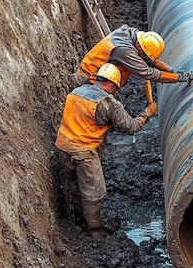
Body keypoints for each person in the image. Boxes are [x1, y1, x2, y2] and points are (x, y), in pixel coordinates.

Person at [56, 63, 158, 238]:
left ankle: (80, 222)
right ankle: (94, 232)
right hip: (84, 151)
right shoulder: (108, 103)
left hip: (63, 145)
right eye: (115, 88)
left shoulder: (76, 92)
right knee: (94, 192)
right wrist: (147, 113)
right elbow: (131, 127)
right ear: (111, 85)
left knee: (75, 187)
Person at [72, 24, 193, 87]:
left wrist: (171, 70)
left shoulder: (134, 35)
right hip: (90, 80)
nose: (145, 58)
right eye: (144, 56)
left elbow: (150, 61)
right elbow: (148, 72)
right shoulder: (124, 51)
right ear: (139, 47)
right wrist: (177, 78)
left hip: (104, 80)